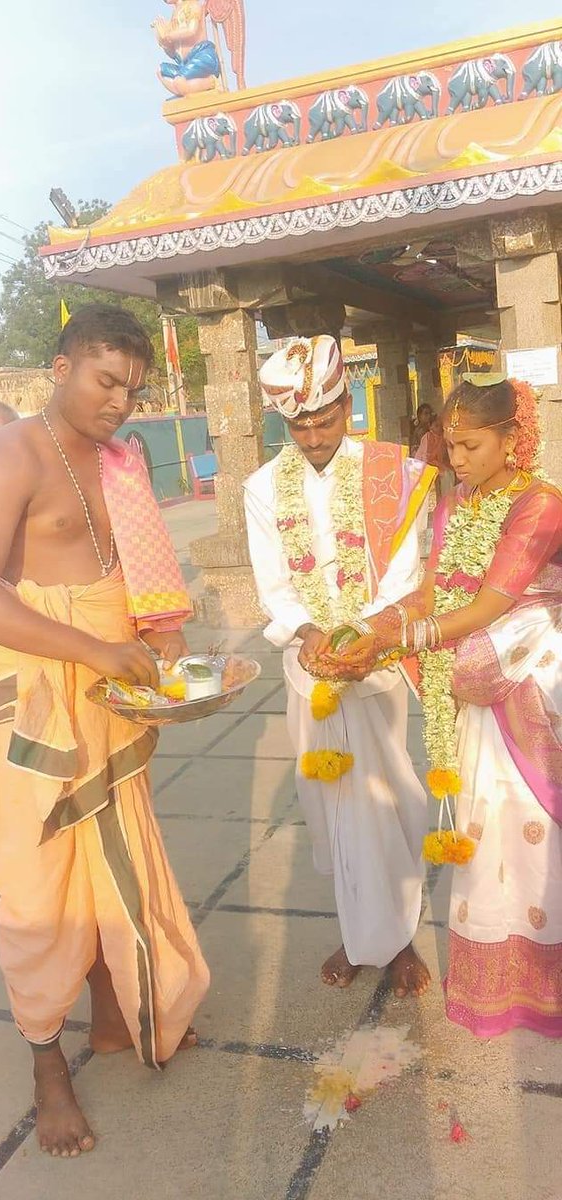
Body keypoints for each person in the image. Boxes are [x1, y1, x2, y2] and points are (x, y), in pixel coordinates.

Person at [0, 304, 209, 1158]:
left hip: (114, 694)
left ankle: (119, 1012)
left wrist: (160, 634)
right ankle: (49, 1059)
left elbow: (136, 574)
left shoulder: (122, 462)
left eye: (134, 388)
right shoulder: (13, 456)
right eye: (105, 379)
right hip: (36, 700)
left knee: (121, 855)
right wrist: (95, 648)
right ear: (60, 368)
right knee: (40, 885)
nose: (120, 402)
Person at [323, 374, 562, 1037]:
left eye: (471, 445)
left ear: (513, 439)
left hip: (532, 683)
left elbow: (491, 603)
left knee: (533, 824)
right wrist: (367, 629)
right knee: (486, 828)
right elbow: (433, 590)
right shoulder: (458, 502)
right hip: (475, 682)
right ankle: (498, 975)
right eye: (451, 445)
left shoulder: (540, 506)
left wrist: (409, 637)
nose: (457, 459)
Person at [243, 335, 436, 995]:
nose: (315, 435)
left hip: (375, 663)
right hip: (310, 668)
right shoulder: (263, 487)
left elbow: (407, 570)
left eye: (325, 420)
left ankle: (401, 938)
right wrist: (305, 633)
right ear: (284, 422)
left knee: (389, 802)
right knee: (331, 809)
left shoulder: (393, 473)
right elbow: (273, 583)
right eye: (300, 424)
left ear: (346, 407)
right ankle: (360, 935)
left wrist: (361, 636)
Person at [416, 414, 455, 499]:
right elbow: (428, 457)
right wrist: (442, 467)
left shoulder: (442, 437)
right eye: (436, 426)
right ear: (430, 427)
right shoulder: (428, 437)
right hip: (425, 464)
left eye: (440, 426)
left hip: (436, 464)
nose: (439, 428)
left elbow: (442, 456)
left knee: (451, 473)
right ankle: (446, 499)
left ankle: (449, 498)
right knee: (445, 475)